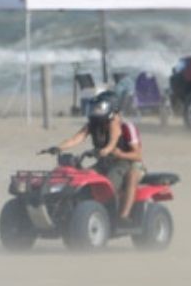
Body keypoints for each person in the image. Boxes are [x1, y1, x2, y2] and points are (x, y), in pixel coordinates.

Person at [54, 91, 146, 224]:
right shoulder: (94, 124)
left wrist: (115, 152)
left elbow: (136, 154)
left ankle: (122, 216)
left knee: (114, 181)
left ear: (111, 109)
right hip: (105, 162)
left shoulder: (124, 126)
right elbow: (76, 139)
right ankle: (79, 208)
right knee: (85, 175)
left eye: (99, 108)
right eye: (94, 107)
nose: (96, 111)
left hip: (127, 163)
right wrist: (58, 148)